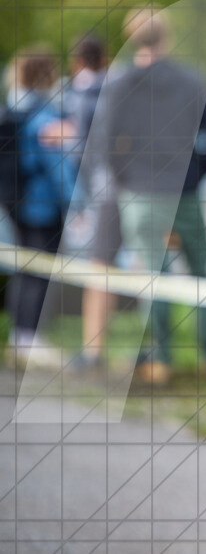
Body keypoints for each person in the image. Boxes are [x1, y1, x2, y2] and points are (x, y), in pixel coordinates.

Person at [99, 8, 206, 385]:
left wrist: (127, 180)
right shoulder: (191, 81)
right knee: (200, 274)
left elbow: (107, 144)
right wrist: (195, 177)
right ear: (165, 37)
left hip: (140, 191)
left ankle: (161, 359)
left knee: (154, 275)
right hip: (184, 190)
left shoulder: (120, 84)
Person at [3, 45, 76, 366]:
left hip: (16, 201)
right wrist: (76, 202)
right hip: (42, 204)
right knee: (40, 270)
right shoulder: (44, 116)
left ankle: (19, 335)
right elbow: (57, 167)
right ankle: (30, 338)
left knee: (24, 268)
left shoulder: (13, 107)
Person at [60, 35, 122, 372]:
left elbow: (79, 151)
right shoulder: (121, 87)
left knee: (99, 267)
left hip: (100, 190)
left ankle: (93, 351)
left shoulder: (78, 94)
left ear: (78, 60)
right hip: (133, 187)